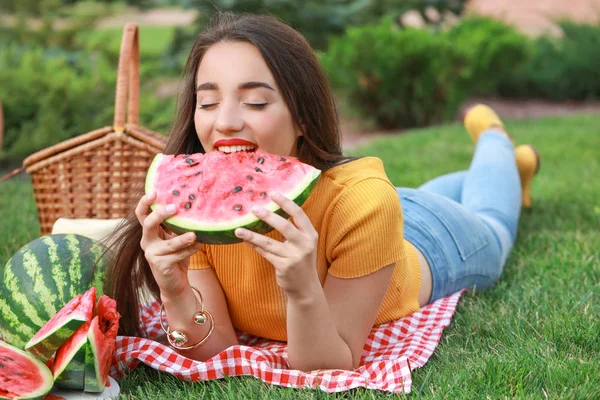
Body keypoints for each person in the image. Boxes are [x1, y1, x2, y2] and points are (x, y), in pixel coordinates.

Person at [107, 12, 540, 372]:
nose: (225, 122)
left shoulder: (364, 201)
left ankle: (497, 143)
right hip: (380, 212)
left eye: (255, 102)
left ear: (303, 119)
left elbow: (328, 366)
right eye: (208, 102)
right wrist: (175, 289)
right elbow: (215, 354)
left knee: (494, 222)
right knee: (430, 193)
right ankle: (501, 167)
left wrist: (302, 288)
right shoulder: (188, 211)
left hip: (433, 243)